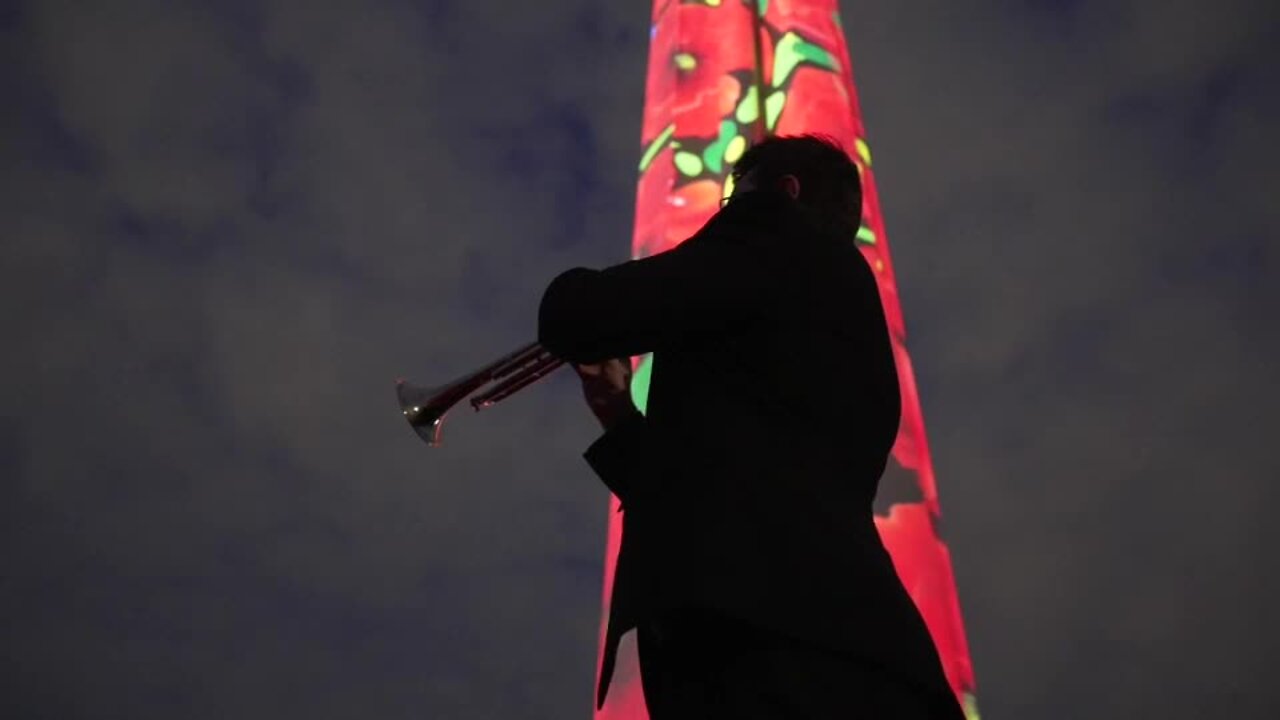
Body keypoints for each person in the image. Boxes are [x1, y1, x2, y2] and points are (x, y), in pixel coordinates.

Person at [537, 134, 964, 719]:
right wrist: (619, 416)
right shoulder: (840, 317)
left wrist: (572, 303)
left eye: (737, 196)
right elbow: (721, 481)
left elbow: (581, 314)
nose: (725, 215)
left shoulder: (775, 236)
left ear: (783, 193)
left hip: (766, 642)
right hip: (854, 645)